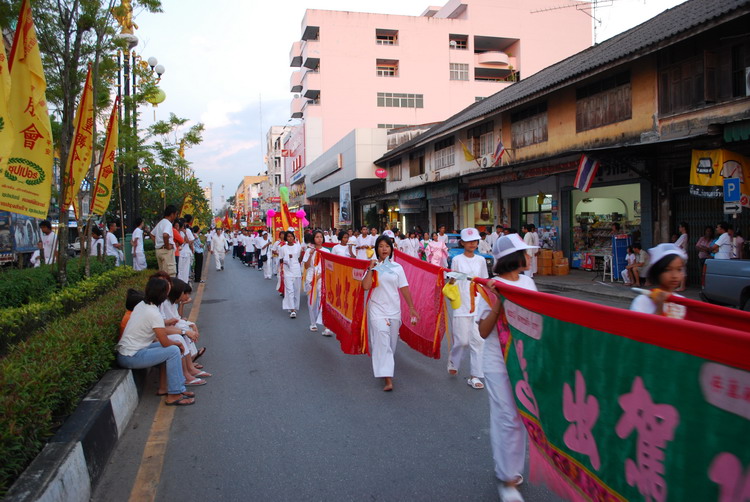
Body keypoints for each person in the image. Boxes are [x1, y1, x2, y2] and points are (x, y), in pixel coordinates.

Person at [476, 233, 538, 502]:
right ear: (514, 258)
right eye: (526, 252)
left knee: (520, 416)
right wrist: (499, 299)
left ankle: (512, 469)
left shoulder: (528, 282)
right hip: (497, 360)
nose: (530, 256)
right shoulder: (490, 287)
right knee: (506, 417)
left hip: (523, 360)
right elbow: (482, 331)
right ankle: (507, 476)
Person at [116, 276, 193, 406]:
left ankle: (172, 388)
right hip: (131, 356)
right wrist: (178, 343)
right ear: (163, 294)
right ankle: (174, 394)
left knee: (170, 349)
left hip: (130, 352)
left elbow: (159, 330)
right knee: (173, 350)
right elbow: (165, 342)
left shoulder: (142, 305)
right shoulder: (153, 312)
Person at [361, 235, 419, 392]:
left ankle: (384, 366)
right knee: (382, 338)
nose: (384, 249)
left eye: (387, 246)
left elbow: (404, 288)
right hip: (376, 308)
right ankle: (388, 378)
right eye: (380, 246)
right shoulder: (372, 266)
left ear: (391, 249)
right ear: (376, 249)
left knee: (391, 344)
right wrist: (371, 269)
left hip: (394, 310)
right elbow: (365, 287)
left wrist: (412, 307)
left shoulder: (397, 268)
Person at [447, 228, 489, 389]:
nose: (473, 244)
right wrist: (451, 280)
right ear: (462, 242)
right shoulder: (457, 259)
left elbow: (484, 281)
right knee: (462, 341)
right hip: (461, 303)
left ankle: (475, 376)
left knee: (478, 341)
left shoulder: (481, 260)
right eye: (469, 241)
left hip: (478, 303)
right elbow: (453, 279)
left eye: (475, 241)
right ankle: (454, 359)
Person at [630, 243, 687, 319]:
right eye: (668, 270)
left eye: (679, 269)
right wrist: (659, 308)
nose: (674, 275)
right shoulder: (642, 301)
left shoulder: (682, 302)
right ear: (657, 271)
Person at [303, 229, 332, 335]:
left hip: (322, 278)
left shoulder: (327, 251)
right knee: (311, 302)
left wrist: (320, 276)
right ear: (313, 239)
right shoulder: (309, 251)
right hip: (311, 278)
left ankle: (326, 326)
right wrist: (311, 254)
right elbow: (306, 266)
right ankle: (313, 323)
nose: (319, 239)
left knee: (323, 301)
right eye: (317, 237)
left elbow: (329, 267)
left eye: (321, 237)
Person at [280, 231, 303, 318]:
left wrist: (302, 252)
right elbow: (280, 260)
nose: (290, 238)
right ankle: (292, 309)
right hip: (287, 272)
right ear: (286, 238)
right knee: (290, 290)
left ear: (294, 237)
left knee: (297, 290)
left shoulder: (298, 247)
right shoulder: (283, 248)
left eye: (291, 236)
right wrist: (286, 258)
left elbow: (299, 259)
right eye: (288, 236)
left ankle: (294, 306)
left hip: (296, 270)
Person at [152, 205, 177, 276]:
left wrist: (157, 243)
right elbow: (165, 235)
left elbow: (152, 234)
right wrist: (167, 246)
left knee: (162, 275)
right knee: (169, 275)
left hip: (159, 250)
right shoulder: (168, 223)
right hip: (166, 252)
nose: (175, 216)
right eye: (175, 214)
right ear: (172, 214)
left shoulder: (160, 223)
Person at [674, 222, 688, 291]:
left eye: (680, 227)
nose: (679, 228)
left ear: (683, 228)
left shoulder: (684, 236)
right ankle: (681, 286)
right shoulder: (684, 236)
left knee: (682, 270)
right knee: (682, 270)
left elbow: (677, 245)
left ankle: (682, 286)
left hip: (682, 254)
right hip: (682, 254)